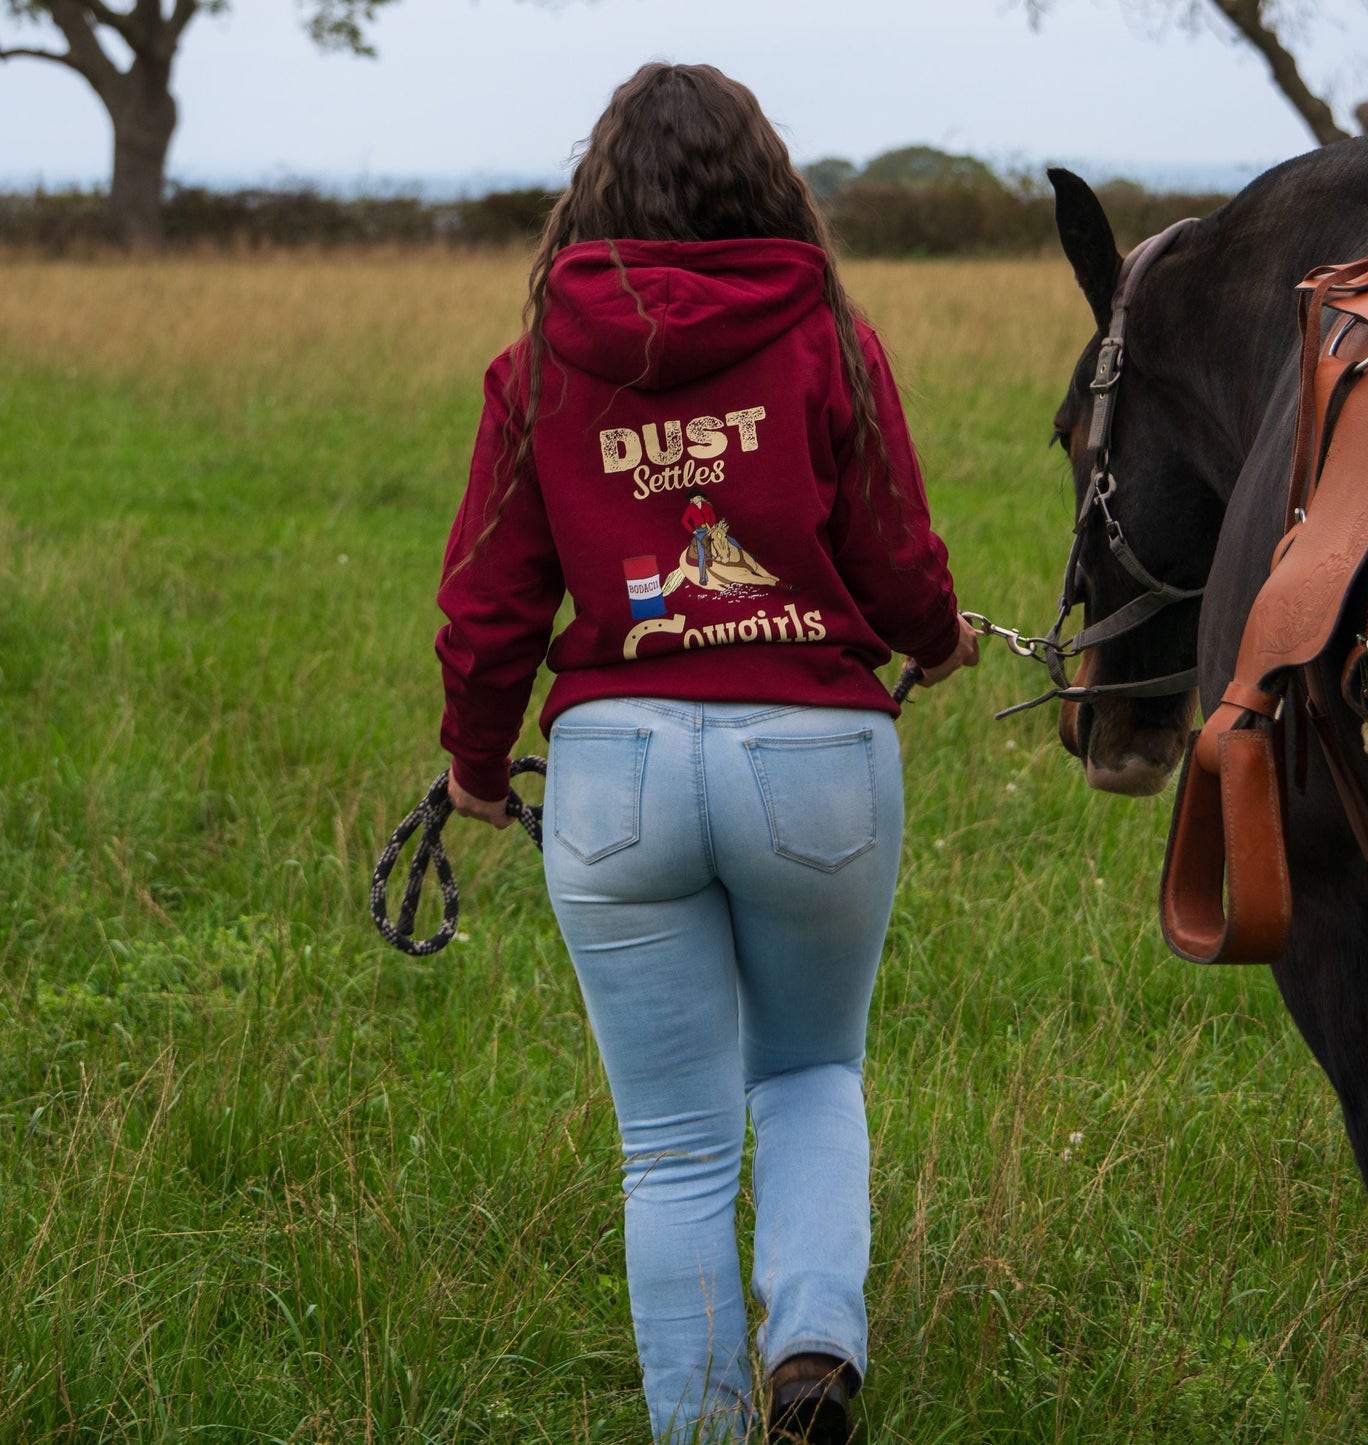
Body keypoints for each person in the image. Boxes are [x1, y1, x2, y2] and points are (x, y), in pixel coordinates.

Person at [434, 62, 978, 1445]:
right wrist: (934, 635)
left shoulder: (538, 365)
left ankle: (702, 1429)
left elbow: (491, 600)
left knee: (671, 1146)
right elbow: (892, 546)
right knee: (807, 1072)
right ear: (764, 182)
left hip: (613, 772)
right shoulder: (831, 342)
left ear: (596, 189)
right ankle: (811, 1339)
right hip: (815, 757)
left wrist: (475, 767)